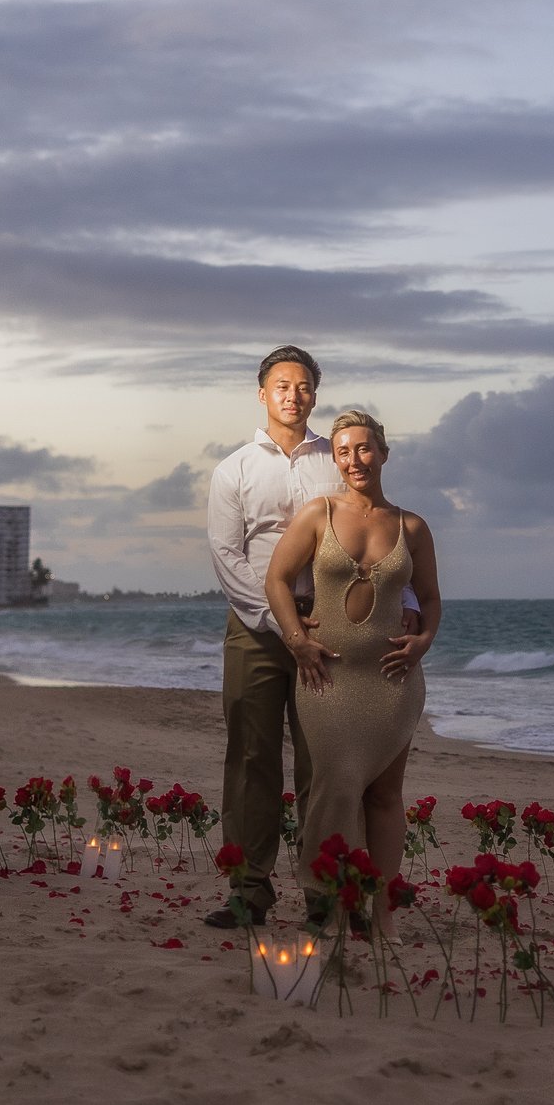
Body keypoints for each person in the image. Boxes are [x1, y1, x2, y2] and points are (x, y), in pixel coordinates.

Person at [204, 346, 421, 927]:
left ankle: (328, 893)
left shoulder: (339, 456)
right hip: (257, 627)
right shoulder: (235, 469)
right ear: (262, 393)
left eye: (303, 386)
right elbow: (229, 558)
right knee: (252, 758)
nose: (292, 395)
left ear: (315, 396)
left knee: (326, 765)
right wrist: (285, 628)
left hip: (334, 631)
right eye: (281, 385)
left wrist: (409, 606)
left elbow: (376, 534)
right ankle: (250, 891)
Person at [260, 410, 440, 933]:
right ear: (334, 458)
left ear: (383, 453)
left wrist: (424, 641)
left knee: (385, 795)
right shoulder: (319, 513)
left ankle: (381, 913)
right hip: (328, 678)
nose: (354, 460)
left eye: (364, 449)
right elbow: (277, 579)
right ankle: (331, 898)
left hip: (393, 680)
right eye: (343, 451)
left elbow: (429, 599)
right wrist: (297, 641)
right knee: (335, 787)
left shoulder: (411, 526)